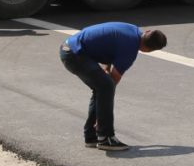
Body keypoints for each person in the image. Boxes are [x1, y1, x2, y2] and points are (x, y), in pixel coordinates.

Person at [59, 22, 167, 153]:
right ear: (148, 50)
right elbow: (113, 82)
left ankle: (91, 136)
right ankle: (105, 137)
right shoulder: (131, 49)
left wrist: (106, 69)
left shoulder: (132, 29)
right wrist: (101, 119)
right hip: (74, 55)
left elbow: (110, 46)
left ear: (147, 31)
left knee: (101, 86)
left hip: (70, 47)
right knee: (106, 87)